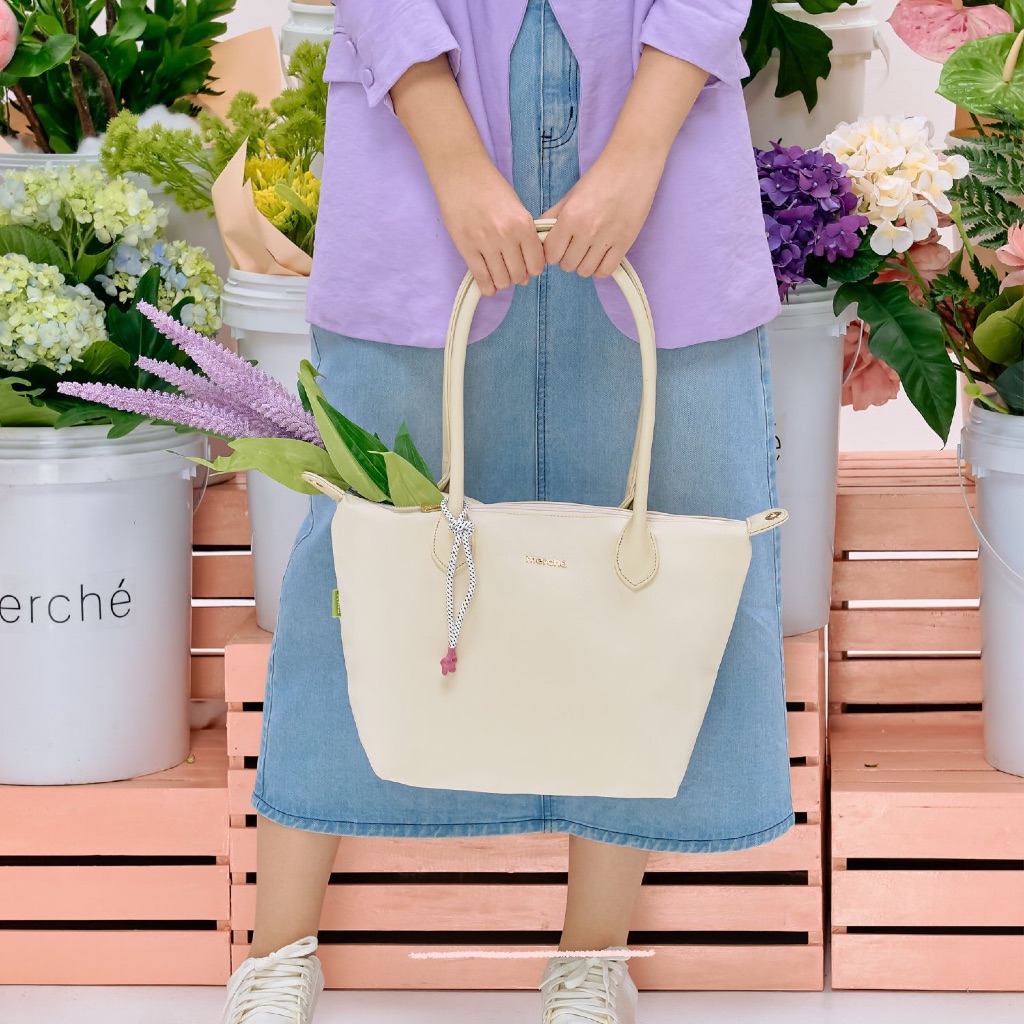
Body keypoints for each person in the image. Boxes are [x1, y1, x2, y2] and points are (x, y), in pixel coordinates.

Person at [220, 1, 793, 1022]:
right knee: (360, 558)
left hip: (659, 129)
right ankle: (275, 950)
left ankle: (592, 954)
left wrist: (635, 158)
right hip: (414, 132)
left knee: (650, 550)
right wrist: (452, 160)